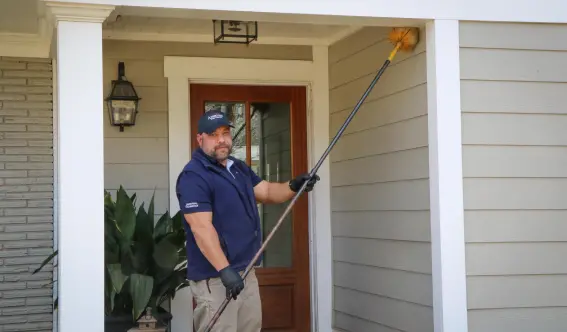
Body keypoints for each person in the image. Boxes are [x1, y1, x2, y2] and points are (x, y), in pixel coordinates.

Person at [175, 108, 319, 331]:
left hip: (245, 271)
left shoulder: (237, 168)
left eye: (225, 132)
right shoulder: (194, 176)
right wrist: (225, 270)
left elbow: (267, 192)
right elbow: (201, 228)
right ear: (200, 139)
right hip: (216, 278)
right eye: (214, 135)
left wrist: (293, 186)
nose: (221, 140)